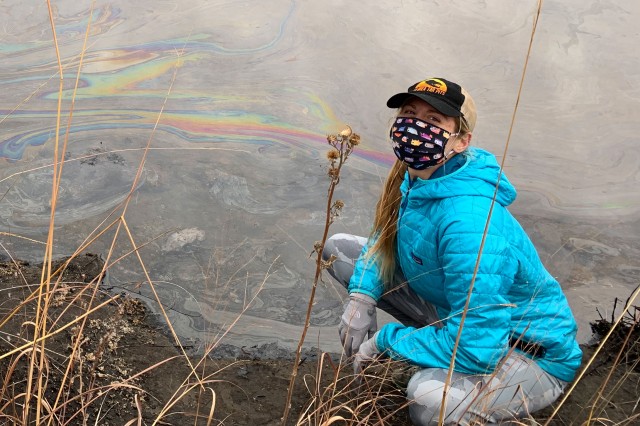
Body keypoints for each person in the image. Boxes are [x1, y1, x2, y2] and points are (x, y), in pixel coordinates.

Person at [323, 77, 582, 425]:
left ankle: (488, 406)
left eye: (433, 121)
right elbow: (382, 243)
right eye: (410, 113)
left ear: (462, 141)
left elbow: (478, 349)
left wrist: (385, 341)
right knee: (339, 251)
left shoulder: (468, 221)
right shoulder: (419, 179)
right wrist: (361, 297)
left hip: (524, 352)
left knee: (430, 400)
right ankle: (427, 353)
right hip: (460, 317)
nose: (415, 126)